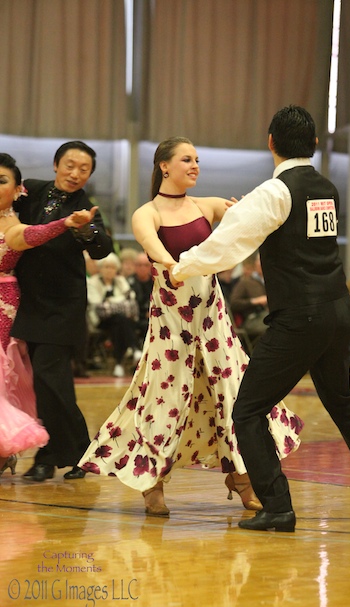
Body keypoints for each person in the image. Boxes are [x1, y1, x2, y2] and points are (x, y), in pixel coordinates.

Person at [172, 105, 350, 532]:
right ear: (316, 145)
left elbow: (229, 245)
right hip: (338, 311)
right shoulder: (325, 187)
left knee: (247, 410)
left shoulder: (274, 192)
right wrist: (244, 213)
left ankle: (278, 507)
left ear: (271, 142)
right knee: (343, 402)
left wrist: (180, 268)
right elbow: (271, 226)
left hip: (301, 318)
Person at [79, 136, 302, 517]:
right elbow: (155, 249)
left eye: (197, 159)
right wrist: (172, 266)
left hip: (213, 317)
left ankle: (242, 476)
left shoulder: (206, 205)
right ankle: (153, 481)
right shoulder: (146, 212)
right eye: (187, 159)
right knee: (163, 397)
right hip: (171, 323)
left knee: (232, 392)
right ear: (164, 166)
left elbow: (248, 216)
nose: (195, 165)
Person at [11, 141, 113, 482]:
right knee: (40, 384)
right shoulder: (32, 192)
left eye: (84, 170)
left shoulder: (86, 207)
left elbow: (102, 247)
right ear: (56, 165)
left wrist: (85, 228)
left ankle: (58, 453)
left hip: (62, 308)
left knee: (48, 378)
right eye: (70, 165)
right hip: (26, 303)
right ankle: (66, 452)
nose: (75, 173)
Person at [87, 252, 141, 377]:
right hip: (100, 321)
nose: (109, 270)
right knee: (121, 319)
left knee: (119, 323)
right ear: (100, 268)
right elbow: (99, 307)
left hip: (118, 322)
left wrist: (110, 303)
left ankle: (118, 364)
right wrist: (120, 302)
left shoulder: (121, 281)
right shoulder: (92, 282)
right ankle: (133, 349)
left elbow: (131, 301)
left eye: (112, 267)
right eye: (106, 267)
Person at [230, 252, 268, 343]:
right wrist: (254, 301)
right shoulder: (245, 282)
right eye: (259, 261)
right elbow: (234, 304)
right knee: (274, 327)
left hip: (271, 316)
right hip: (253, 319)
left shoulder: (273, 281)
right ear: (255, 263)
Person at [126, 250, 154, 343]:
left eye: (146, 265)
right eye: (139, 265)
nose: (142, 268)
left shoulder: (156, 283)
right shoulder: (127, 282)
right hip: (133, 317)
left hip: (152, 316)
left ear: (150, 267)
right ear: (135, 266)